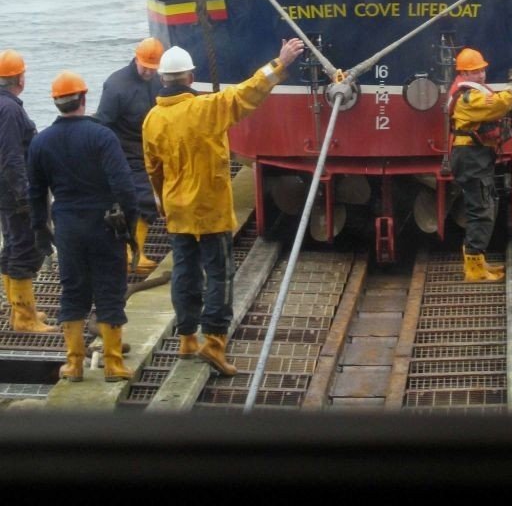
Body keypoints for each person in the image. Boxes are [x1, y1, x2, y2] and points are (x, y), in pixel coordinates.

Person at [142, 38, 305, 375]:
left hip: (177, 211)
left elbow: (153, 169)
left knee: (184, 275)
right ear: (190, 77)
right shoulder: (207, 109)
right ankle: (214, 344)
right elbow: (248, 92)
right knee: (219, 275)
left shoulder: (152, 120)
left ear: (163, 79)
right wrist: (280, 63)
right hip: (211, 210)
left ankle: (186, 339)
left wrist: (163, 203)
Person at [27, 72, 138, 382]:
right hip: (105, 225)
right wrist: (129, 224)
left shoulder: (41, 142)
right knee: (110, 290)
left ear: (56, 103)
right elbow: (125, 186)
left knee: (73, 291)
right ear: (84, 99)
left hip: (67, 228)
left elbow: (35, 192)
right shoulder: (102, 136)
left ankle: (74, 363)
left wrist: (40, 230)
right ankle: (114, 364)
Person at [447, 48, 512, 283]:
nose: (481, 75)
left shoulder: (471, 92)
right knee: (480, 211)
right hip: (470, 157)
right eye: (476, 71)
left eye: (482, 70)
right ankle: (474, 269)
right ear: (464, 73)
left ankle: (478, 261)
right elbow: (498, 105)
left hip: (475, 155)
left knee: (485, 204)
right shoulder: (468, 96)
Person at [94, 38, 165, 272]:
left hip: (149, 148)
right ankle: (134, 253)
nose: (148, 71)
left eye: (153, 68)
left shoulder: (157, 81)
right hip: (123, 151)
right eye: (145, 66)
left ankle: (132, 251)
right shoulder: (116, 86)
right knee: (145, 197)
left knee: (155, 196)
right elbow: (103, 124)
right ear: (136, 58)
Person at [0, 49, 55, 334]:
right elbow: (11, 156)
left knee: (11, 246)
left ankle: (19, 307)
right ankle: (24, 318)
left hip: (4, 191)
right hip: (13, 193)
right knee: (23, 248)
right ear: (19, 78)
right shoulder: (9, 109)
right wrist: (25, 196)